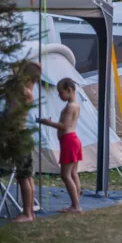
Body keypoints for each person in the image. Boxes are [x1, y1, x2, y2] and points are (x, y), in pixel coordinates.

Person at [39, 78, 83, 213]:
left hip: (69, 141)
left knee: (65, 175)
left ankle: (75, 206)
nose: (59, 96)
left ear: (69, 90)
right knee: (74, 173)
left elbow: (64, 126)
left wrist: (47, 122)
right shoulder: (76, 104)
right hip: (73, 140)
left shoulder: (70, 106)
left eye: (60, 92)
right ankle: (76, 203)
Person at [10, 61, 42, 223]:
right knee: (27, 177)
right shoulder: (25, 91)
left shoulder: (26, 93)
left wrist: (17, 70)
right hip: (21, 135)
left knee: (24, 177)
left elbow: (17, 84)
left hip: (21, 136)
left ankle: (27, 213)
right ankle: (30, 212)